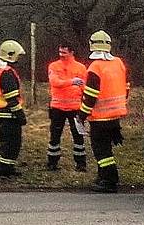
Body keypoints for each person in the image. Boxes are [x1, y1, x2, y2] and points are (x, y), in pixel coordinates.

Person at [76, 30, 129, 193]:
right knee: (107, 149)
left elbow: (90, 96)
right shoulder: (119, 63)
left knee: (102, 151)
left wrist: (81, 116)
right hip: (116, 115)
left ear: (92, 45)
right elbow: (126, 87)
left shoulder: (95, 68)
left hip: (100, 118)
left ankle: (108, 180)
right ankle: (103, 177)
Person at [46, 43, 87, 171]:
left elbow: (84, 86)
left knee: (78, 136)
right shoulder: (53, 66)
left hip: (75, 107)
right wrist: (72, 82)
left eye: (64, 52)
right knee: (55, 135)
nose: (61, 55)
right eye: (60, 52)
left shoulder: (81, 67)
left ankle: (81, 164)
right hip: (57, 106)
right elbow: (54, 82)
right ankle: (52, 163)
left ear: (72, 52)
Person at [0, 40, 27, 177]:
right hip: (8, 113)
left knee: (5, 143)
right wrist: (20, 114)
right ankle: (4, 171)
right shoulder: (7, 73)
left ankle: (2, 167)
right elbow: (11, 98)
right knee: (12, 143)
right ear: (11, 55)